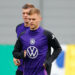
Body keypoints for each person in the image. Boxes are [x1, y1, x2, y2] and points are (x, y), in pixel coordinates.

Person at [13, 8, 62, 75]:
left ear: (39, 19)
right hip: (27, 72)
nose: (31, 21)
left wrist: (49, 61)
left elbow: (58, 48)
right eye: (29, 19)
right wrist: (21, 55)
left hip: (42, 72)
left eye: (33, 19)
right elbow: (15, 52)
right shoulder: (22, 36)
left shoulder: (47, 34)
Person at [13, 3, 35, 75]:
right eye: (23, 13)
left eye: (27, 13)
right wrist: (15, 57)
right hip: (21, 69)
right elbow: (18, 46)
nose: (25, 15)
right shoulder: (18, 28)